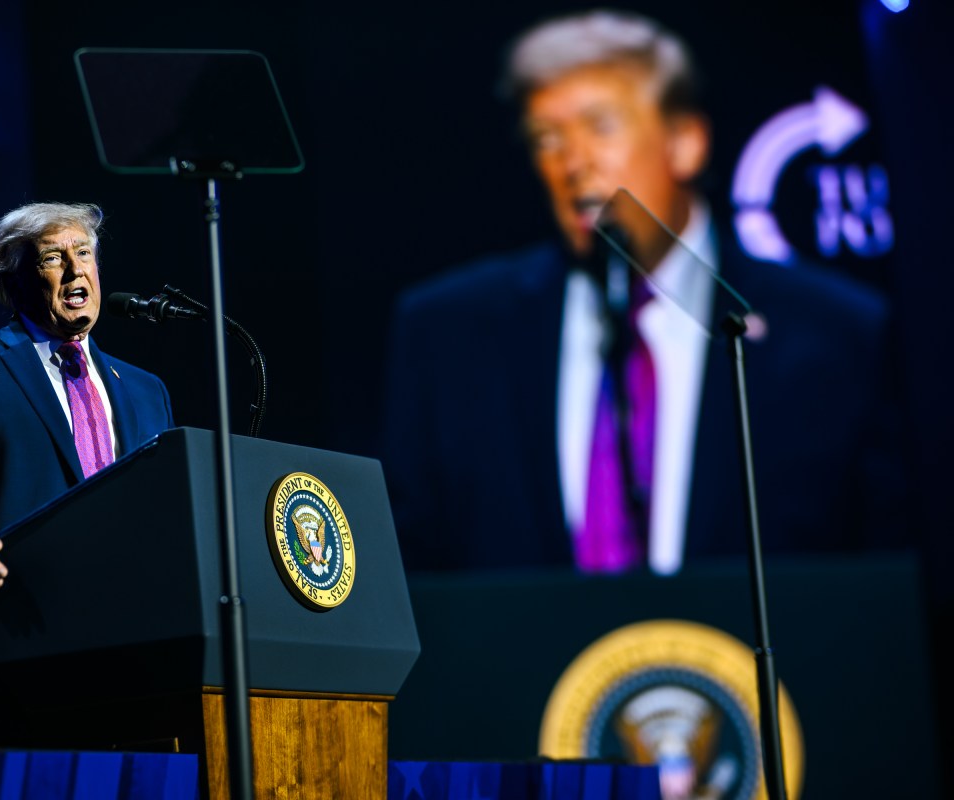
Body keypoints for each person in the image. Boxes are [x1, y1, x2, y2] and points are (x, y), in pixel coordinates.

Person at [381, 10, 902, 573]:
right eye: (546, 138)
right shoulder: (448, 335)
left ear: (685, 143)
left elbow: (881, 580)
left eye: (600, 126)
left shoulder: (836, 334)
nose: (572, 163)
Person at [0, 202, 174, 743]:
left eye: (83, 253)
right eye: (52, 258)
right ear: (13, 278)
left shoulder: (146, 391)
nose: (75, 269)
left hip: (122, 681)